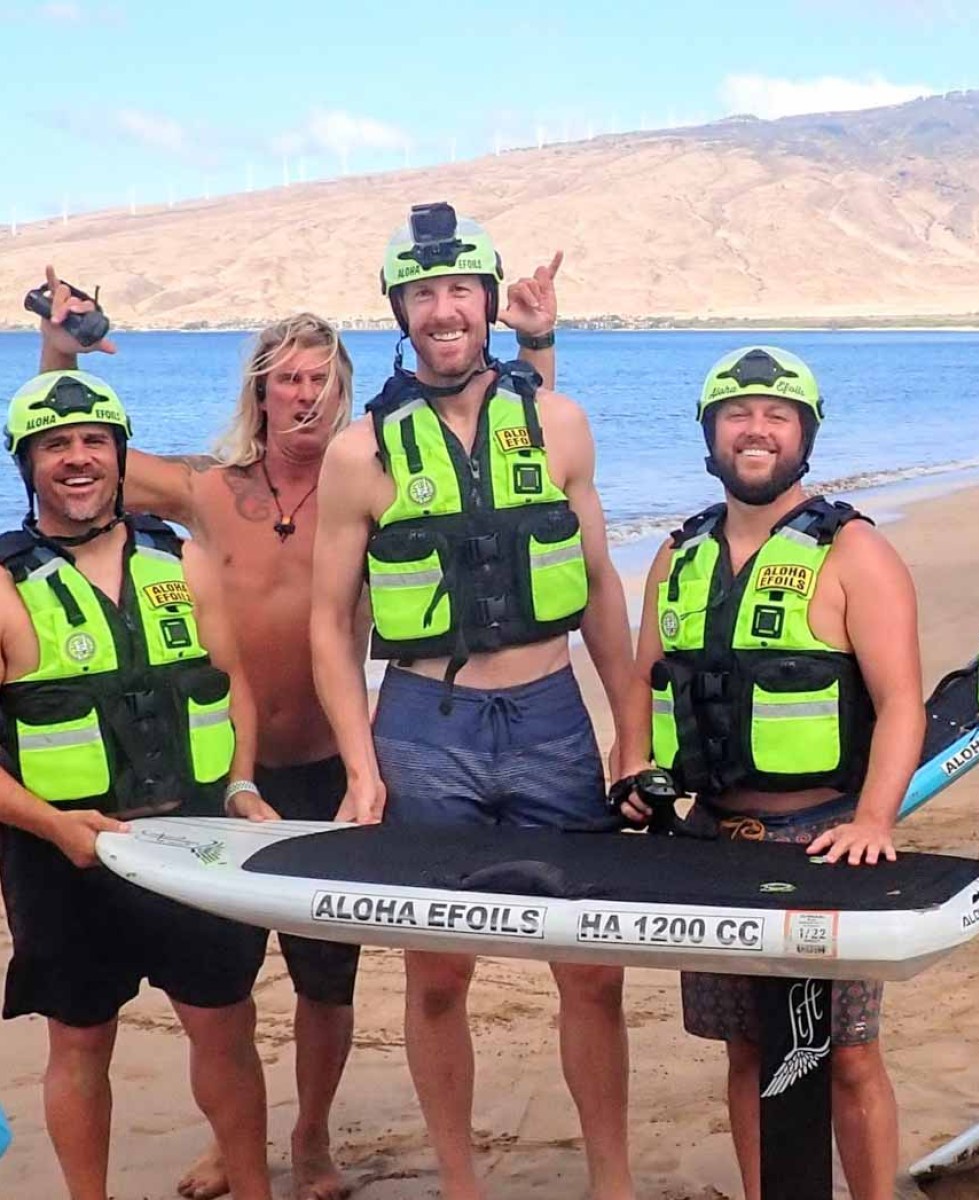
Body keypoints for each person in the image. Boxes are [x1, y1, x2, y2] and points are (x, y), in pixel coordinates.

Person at [35, 259, 561, 1200]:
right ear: (260, 392)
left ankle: (312, 1137)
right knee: (222, 992)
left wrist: (534, 347)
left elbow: (517, 481)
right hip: (221, 778)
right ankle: (227, 1144)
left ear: (343, 389)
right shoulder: (205, 490)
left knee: (326, 984)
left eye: (321, 378)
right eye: (286, 378)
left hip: (329, 764)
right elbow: (73, 451)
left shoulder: (379, 475)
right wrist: (59, 343)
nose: (304, 395)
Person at [310, 202, 637, 1200]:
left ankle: (613, 1182)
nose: (442, 310)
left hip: (551, 719)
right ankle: (461, 1183)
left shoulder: (559, 422)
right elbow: (331, 623)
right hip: (424, 730)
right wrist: (362, 767)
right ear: (400, 314)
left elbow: (598, 582)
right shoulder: (359, 455)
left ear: (487, 306)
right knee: (438, 972)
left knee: (589, 968)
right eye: (422, 295)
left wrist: (632, 730)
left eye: (459, 291)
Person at [616, 347, 925, 1200]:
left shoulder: (853, 551)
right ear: (710, 435)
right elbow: (644, 686)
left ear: (805, 436)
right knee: (749, 1047)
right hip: (712, 840)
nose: (756, 430)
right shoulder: (677, 555)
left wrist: (875, 820)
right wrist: (637, 773)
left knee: (847, 1052)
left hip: (821, 841)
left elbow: (903, 704)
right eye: (737, 415)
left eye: (776, 416)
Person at [0, 369, 275, 1200]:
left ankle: (256, 1189)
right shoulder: (7, 587)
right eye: (56, 446)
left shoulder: (180, 562)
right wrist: (52, 826)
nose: (78, 460)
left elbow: (231, 683)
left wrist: (240, 786)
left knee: (225, 1027)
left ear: (120, 457)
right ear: (28, 464)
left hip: (191, 841)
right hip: (64, 859)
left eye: (94, 443)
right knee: (79, 1042)